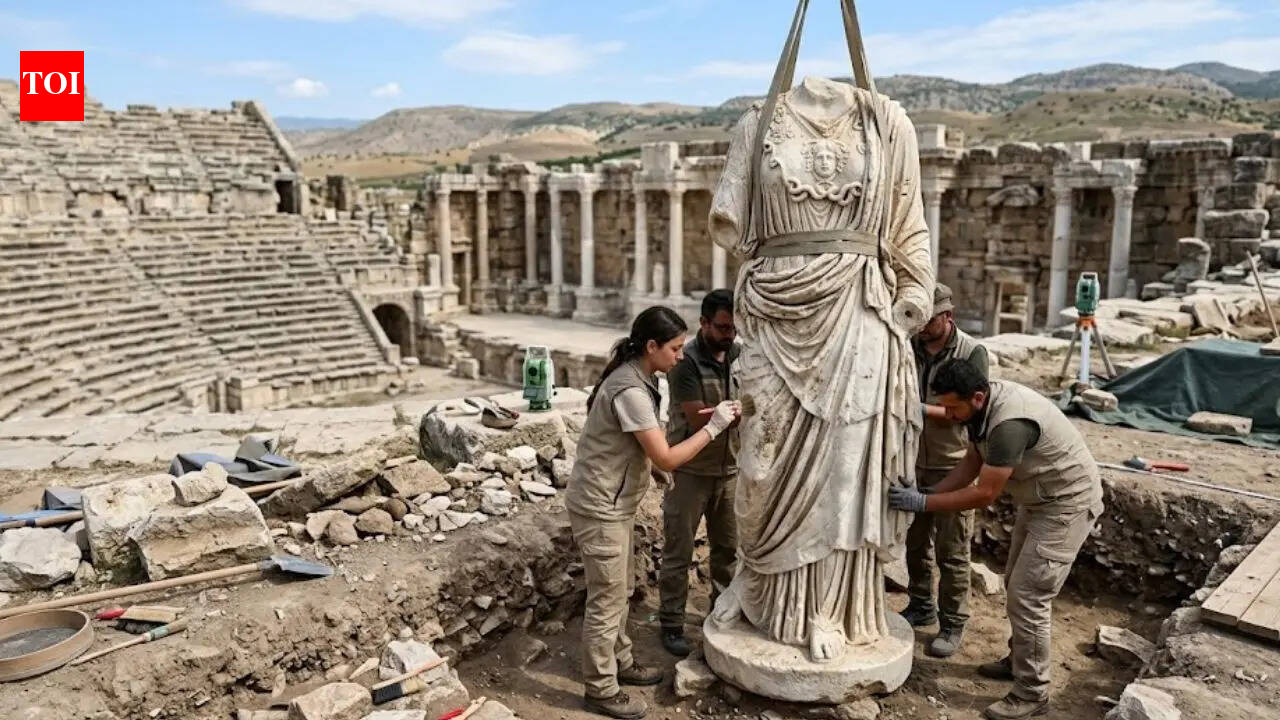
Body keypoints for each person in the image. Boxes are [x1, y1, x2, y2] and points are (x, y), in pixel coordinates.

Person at [888, 360, 1104, 720]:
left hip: (1066, 505)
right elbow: (971, 462)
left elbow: (984, 493)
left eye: (953, 407)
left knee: (1029, 596)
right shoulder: (979, 411)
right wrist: (929, 491)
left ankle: (1032, 693)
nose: (948, 415)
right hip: (1038, 500)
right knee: (1015, 584)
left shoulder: (1008, 424)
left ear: (976, 396)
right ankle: (1020, 660)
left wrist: (925, 503)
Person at [566, 305, 741, 720]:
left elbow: (639, 449)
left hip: (614, 501)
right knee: (606, 601)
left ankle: (621, 662)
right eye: (676, 348)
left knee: (620, 589)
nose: (682, 356)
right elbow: (665, 456)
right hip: (601, 506)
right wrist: (713, 427)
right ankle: (601, 688)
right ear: (651, 346)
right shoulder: (628, 389)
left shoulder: (640, 378)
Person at [904, 283, 989, 658]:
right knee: (914, 542)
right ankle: (921, 606)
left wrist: (920, 409)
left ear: (947, 316)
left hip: (953, 461)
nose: (923, 326)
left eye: (929, 319)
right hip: (912, 460)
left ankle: (952, 622)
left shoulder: (972, 352)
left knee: (952, 551)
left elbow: (972, 410)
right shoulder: (911, 346)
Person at [658, 289, 739, 657]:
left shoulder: (739, 354)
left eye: (734, 327)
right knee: (679, 551)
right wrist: (734, 411)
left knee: (729, 551)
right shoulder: (685, 362)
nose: (729, 335)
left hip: (731, 470)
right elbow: (695, 416)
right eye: (722, 327)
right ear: (704, 323)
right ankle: (672, 624)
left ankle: (721, 617)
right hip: (691, 470)